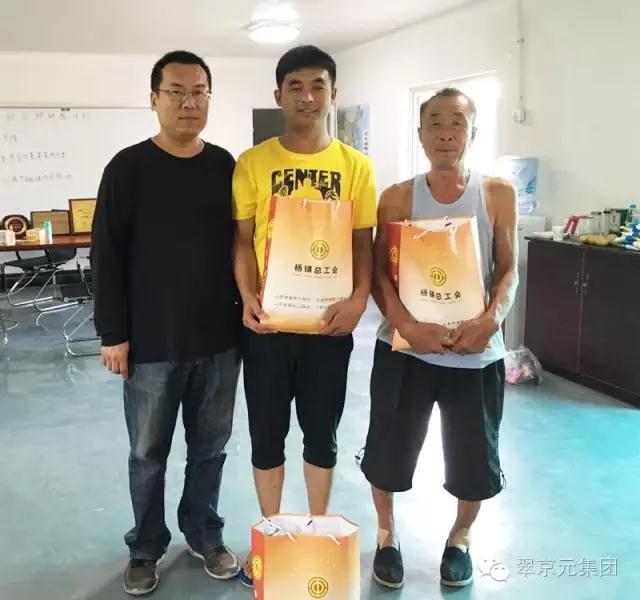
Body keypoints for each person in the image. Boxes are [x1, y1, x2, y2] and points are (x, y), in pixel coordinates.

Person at [91, 50, 242, 596]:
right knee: (147, 454)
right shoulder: (127, 168)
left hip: (219, 340)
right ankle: (146, 546)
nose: (188, 102)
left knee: (211, 448)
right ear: (153, 99)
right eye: (176, 91)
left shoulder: (226, 166)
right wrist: (113, 334)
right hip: (151, 343)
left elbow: (245, 246)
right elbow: (105, 255)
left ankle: (204, 532)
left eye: (199, 91)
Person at [231, 45, 377, 587]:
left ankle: (317, 532)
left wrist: (359, 298)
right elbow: (242, 241)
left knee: (321, 434)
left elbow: (363, 244)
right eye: (295, 86)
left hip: (328, 328)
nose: (307, 96)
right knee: (266, 435)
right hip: (267, 327)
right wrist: (247, 294)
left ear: (334, 94)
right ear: (279, 95)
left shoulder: (356, 167)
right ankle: (271, 535)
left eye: (318, 86)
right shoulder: (253, 163)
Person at [361, 87, 518, 589]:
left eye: (457, 123)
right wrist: (407, 327)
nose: (446, 133)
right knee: (387, 450)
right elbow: (379, 275)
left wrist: (490, 321)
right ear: (421, 133)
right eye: (435, 123)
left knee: (474, 458)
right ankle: (387, 534)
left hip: (475, 355)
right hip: (406, 352)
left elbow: (508, 271)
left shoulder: (497, 194)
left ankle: (460, 537)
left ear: (473, 132)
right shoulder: (398, 197)